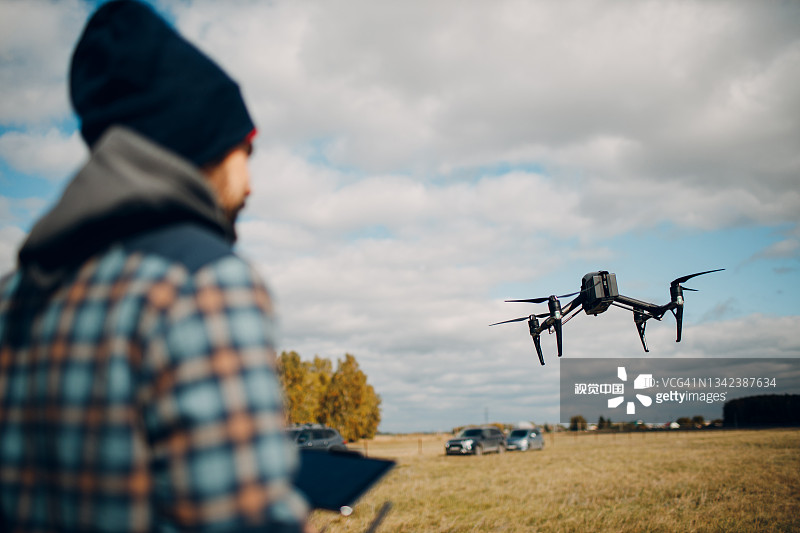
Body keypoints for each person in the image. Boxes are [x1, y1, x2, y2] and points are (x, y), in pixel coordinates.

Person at [0, 1, 311, 531]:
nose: (251, 185)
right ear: (203, 144)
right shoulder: (201, 286)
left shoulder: (13, 296)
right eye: (247, 151)